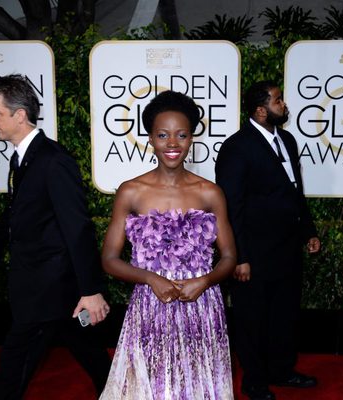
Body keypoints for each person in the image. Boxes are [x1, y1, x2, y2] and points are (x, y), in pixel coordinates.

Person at [0, 74, 111, 399]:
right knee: (86, 346)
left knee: (16, 354)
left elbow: (77, 227)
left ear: (19, 115)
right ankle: (119, 391)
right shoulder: (21, 157)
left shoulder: (54, 161)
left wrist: (92, 290)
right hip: (52, 286)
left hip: (47, 285)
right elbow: (15, 213)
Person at [99, 90, 237, 399]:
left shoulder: (211, 193)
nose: (172, 143)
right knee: (153, 387)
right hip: (149, 306)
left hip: (202, 307)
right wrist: (150, 278)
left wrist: (206, 280)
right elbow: (109, 258)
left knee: (199, 387)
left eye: (181, 135)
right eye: (163, 135)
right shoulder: (131, 191)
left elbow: (229, 257)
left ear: (191, 139)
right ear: (150, 138)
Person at [215, 80, 321, 400]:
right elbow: (231, 207)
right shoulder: (237, 147)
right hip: (255, 253)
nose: (284, 105)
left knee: (284, 314)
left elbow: (294, 190)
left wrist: (309, 231)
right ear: (261, 111)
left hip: (288, 248)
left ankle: (282, 370)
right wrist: (239, 256)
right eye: (278, 101)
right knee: (252, 319)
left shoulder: (286, 139)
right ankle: (255, 382)